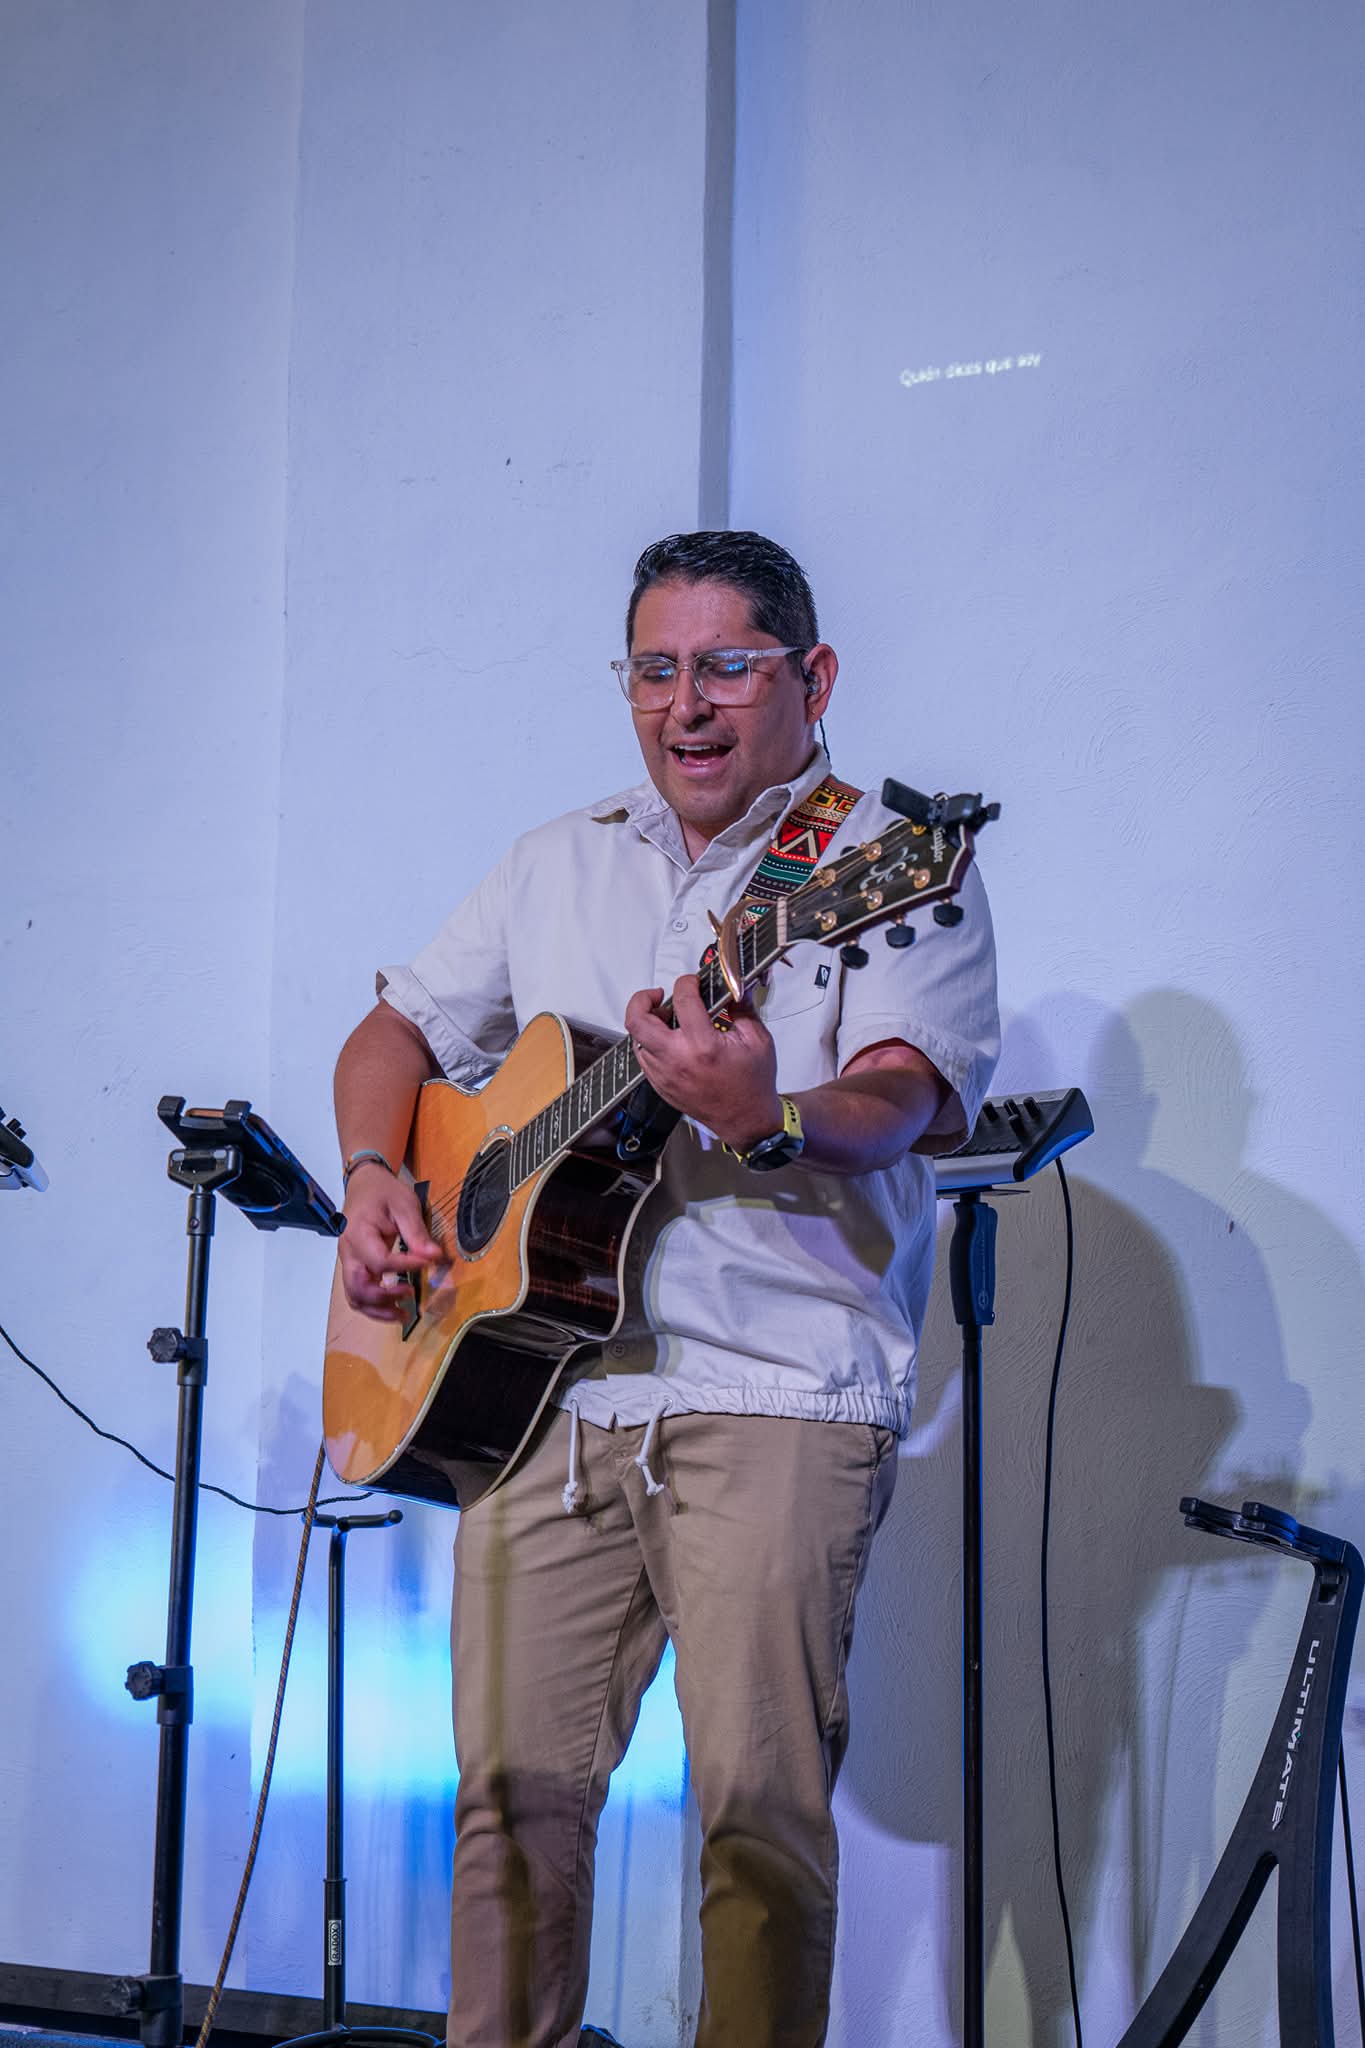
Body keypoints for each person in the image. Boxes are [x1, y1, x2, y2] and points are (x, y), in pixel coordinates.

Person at [332, 530, 999, 2048]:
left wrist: (764, 1113)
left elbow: (901, 1096)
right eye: (655, 668)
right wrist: (380, 1174)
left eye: (725, 666)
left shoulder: (887, 857)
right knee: (507, 1817)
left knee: (754, 1832)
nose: (685, 704)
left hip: (772, 1383)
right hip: (539, 1399)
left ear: (809, 678)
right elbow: (392, 1042)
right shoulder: (553, 856)